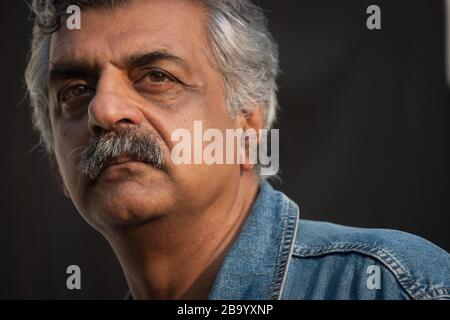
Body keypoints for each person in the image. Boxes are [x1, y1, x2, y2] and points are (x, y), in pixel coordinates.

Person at [25, 0, 449, 300]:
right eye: (76, 90)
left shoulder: (393, 286)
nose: (104, 108)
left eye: (156, 76)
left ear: (247, 128)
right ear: (55, 159)